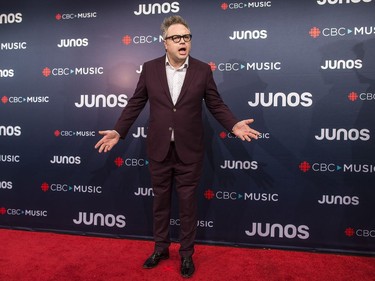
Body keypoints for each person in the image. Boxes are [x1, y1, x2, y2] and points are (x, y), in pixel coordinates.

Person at [94, 15, 260, 278]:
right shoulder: (149, 69)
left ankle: (186, 255)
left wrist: (233, 125)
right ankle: (160, 248)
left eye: (186, 37)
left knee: (188, 206)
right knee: (160, 203)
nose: (182, 41)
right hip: (159, 149)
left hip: (190, 152)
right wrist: (118, 131)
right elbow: (136, 103)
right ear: (165, 43)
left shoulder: (203, 70)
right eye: (176, 38)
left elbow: (215, 104)